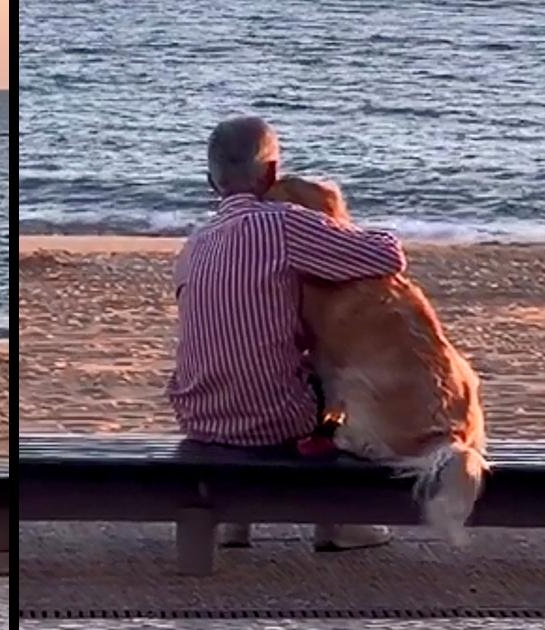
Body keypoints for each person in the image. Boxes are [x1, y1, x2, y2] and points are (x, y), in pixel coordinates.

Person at [167, 116, 407, 551]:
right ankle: (338, 523)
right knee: (337, 383)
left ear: (210, 182)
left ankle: (234, 522)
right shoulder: (284, 225)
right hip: (276, 421)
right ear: (273, 173)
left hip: (198, 417)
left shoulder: (193, 246)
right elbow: (387, 254)